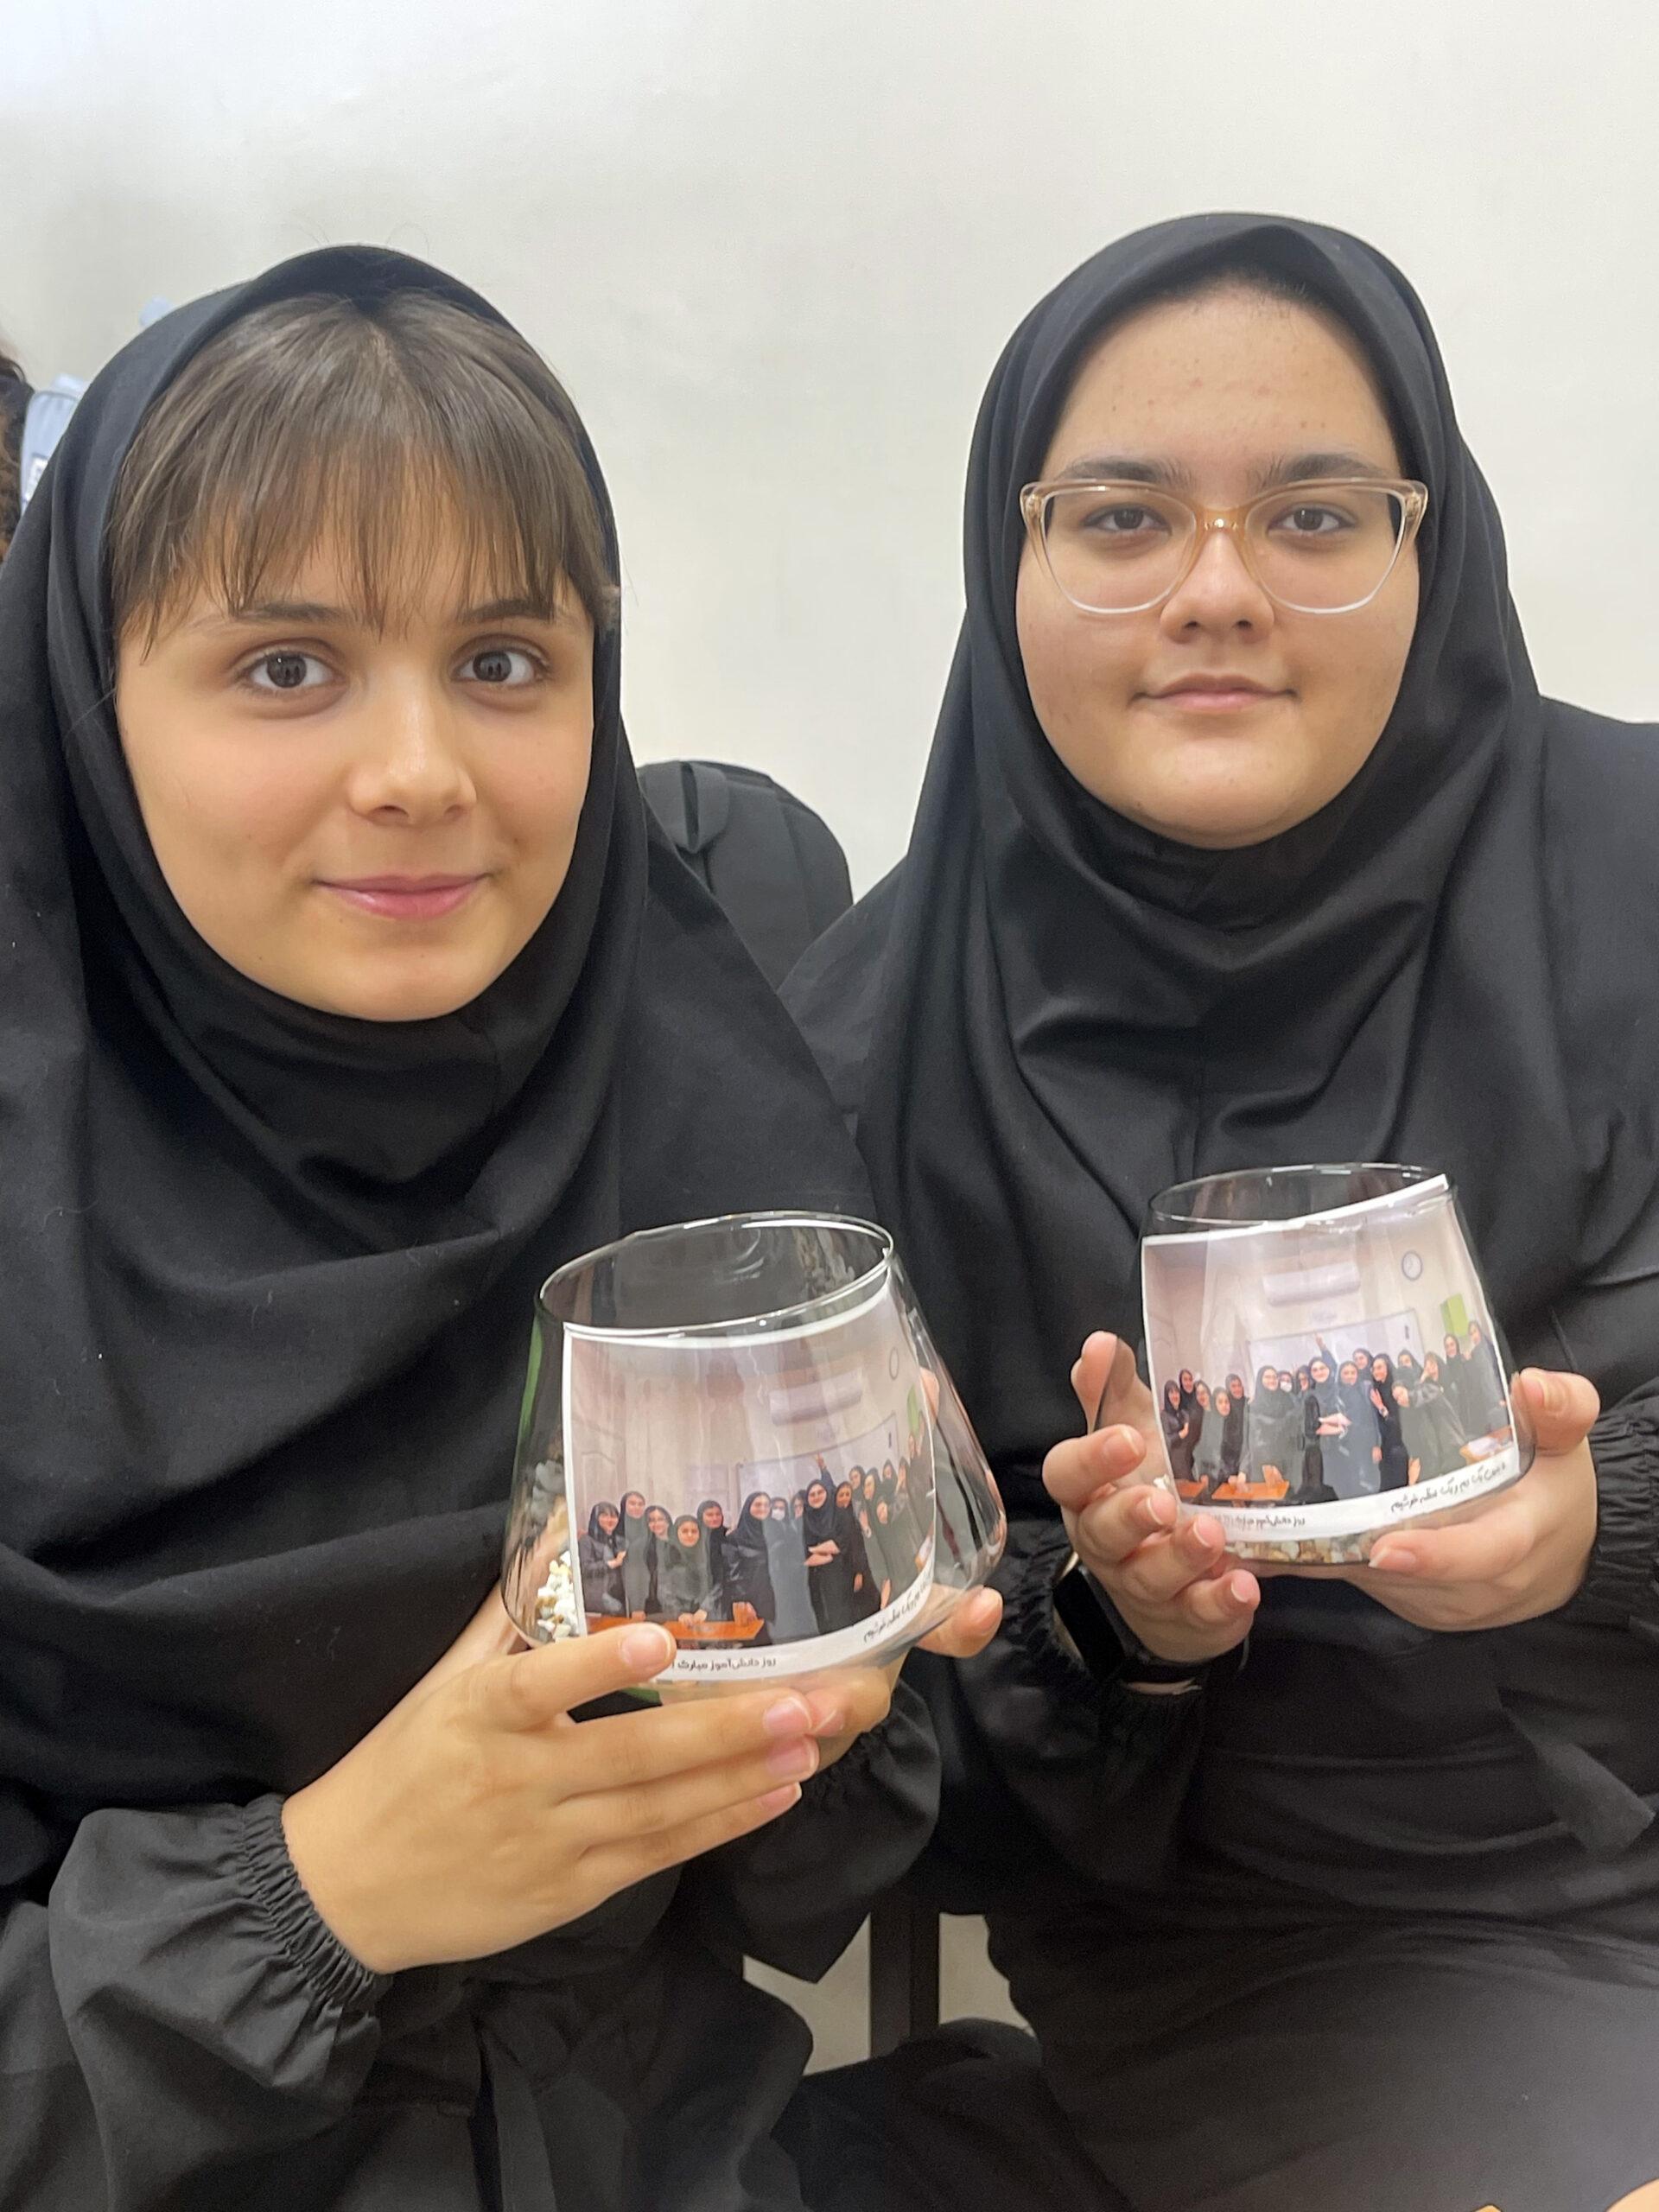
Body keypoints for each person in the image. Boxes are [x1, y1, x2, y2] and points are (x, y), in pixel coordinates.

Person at [0, 245, 1002, 2212]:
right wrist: (323, 1890)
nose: (418, 774)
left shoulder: (702, 1135)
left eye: (503, 662)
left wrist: (832, 1699)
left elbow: (810, 1879)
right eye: (285, 667)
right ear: (93, 705)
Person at [787, 212, 1659, 2210]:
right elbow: (848, 1773)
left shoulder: (1637, 866)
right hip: (1285, 1974)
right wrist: (1117, 1625)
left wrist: (1600, 1517)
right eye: (1119, 520)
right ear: (1006, 562)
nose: (1216, 591)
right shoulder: (858, 1057)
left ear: (1432, 548)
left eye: (1314, 514)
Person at [725, 1490, 779, 1633]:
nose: (763, 1508)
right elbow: (733, 1574)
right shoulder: (735, 1538)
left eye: (766, 1505)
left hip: (777, 1599)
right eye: (758, 1505)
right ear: (748, 1507)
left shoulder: (776, 1532)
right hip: (752, 1601)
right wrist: (743, 1602)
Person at [766, 1492, 818, 1640]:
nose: (778, 1511)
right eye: (775, 1507)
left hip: (796, 1574)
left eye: (782, 1508)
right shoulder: (768, 1527)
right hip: (776, 1576)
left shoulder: (791, 1525)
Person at [579, 1498, 628, 1616]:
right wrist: (612, 1563)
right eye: (605, 1516)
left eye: (613, 1516)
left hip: (621, 1597)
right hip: (598, 1598)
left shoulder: (620, 1541)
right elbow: (584, 1569)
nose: (610, 1520)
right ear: (596, 1518)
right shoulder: (587, 1540)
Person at [618, 1486, 657, 1614]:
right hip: (625, 1577)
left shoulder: (650, 1526)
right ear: (624, 1505)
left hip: (648, 1575)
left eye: (640, 1504)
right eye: (632, 1503)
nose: (637, 1507)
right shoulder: (617, 1527)